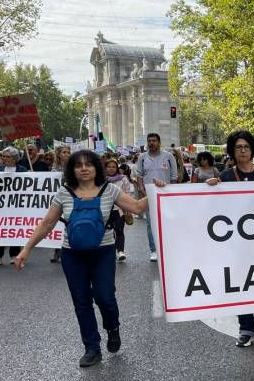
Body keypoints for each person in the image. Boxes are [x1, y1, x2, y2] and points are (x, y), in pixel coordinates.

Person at [15, 150, 161, 367]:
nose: (84, 169)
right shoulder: (64, 193)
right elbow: (47, 224)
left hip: (103, 252)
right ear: (72, 170)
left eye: (88, 165)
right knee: (81, 302)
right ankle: (91, 347)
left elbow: (138, 207)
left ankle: (112, 328)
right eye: (78, 165)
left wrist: (157, 190)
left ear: (96, 168)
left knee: (105, 297)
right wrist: (26, 249)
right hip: (72, 254)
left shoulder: (110, 190)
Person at [206, 131, 254, 347]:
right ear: (232, 151)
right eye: (238, 147)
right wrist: (208, 189)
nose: (243, 151)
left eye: (246, 147)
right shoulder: (225, 177)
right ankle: (246, 328)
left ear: (252, 150)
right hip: (236, 244)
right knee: (241, 285)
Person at [136, 133, 178, 262]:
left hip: (166, 196)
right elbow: (139, 176)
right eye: (149, 141)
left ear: (159, 142)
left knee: (167, 222)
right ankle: (154, 250)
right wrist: (142, 190)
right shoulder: (142, 158)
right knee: (151, 223)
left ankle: (167, 248)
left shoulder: (169, 156)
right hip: (149, 196)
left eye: (154, 141)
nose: (151, 143)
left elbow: (174, 177)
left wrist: (171, 193)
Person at [0, 147, 28, 266]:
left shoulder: (22, 170)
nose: (4, 158)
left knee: (14, 229)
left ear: (14, 158)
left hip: (16, 205)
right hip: (1, 205)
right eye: (4, 156)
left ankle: (14, 255)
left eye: (7, 156)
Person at [105, 158, 134, 262]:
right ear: (105, 168)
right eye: (109, 167)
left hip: (120, 209)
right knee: (107, 231)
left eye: (114, 167)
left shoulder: (123, 178)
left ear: (117, 168)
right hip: (105, 209)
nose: (111, 169)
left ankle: (120, 251)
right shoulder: (100, 179)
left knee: (119, 230)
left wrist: (127, 205)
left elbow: (128, 191)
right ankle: (110, 251)